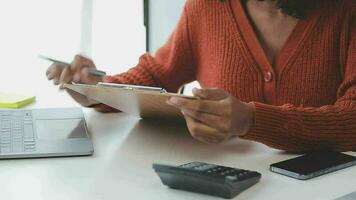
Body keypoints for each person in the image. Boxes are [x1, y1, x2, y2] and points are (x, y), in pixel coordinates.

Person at [46, 0, 356, 152]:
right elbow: (157, 74)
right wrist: (94, 88)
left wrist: (251, 120)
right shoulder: (207, 7)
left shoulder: (346, 11)